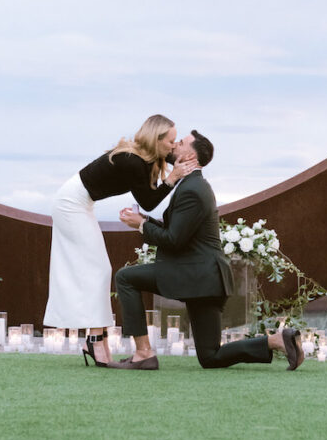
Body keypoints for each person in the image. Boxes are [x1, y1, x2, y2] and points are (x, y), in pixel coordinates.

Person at [113, 130, 305, 372]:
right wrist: (144, 219)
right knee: (210, 356)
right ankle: (277, 340)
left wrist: (140, 225)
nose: (173, 145)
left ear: (191, 155)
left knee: (125, 278)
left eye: (180, 143)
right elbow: (179, 231)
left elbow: (173, 240)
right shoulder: (193, 186)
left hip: (196, 275)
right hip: (204, 278)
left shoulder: (192, 190)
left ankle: (143, 353)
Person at [43, 115, 198, 366]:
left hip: (81, 205)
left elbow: (162, 176)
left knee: (98, 269)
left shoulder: (144, 158)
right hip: (70, 205)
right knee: (99, 269)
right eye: (170, 141)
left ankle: (96, 340)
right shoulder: (132, 162)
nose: (173, 146)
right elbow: (149, 201)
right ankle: (95, 341)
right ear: (156, 139)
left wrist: (183, 161)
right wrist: (173, 178)